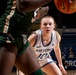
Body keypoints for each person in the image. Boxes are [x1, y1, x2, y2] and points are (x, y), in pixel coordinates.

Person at [0, 0, 52, 75]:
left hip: (21, 35)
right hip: (8, 33)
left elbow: (33, 10)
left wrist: (48, 8)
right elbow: (22, 5)